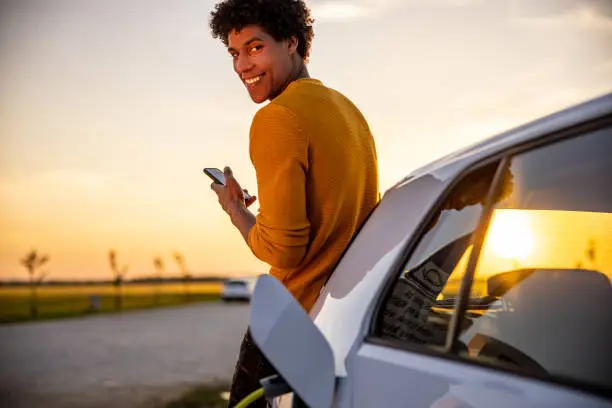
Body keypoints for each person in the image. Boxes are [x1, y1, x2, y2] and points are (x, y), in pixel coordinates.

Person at [208, 0, 379, 405]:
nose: (241, 66)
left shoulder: (276, 118)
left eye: (255, 47)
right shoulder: (348, 111)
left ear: (292, 42)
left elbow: (284, 250)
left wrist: (237, 212)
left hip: (291, 327)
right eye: (234, 53)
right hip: (342, 322)